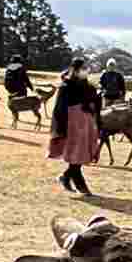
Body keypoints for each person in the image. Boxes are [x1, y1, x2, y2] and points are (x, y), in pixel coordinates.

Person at [47, 59, 102, 195]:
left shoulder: (89, 87)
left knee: (82, 153)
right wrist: (60, 127)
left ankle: (66, 177)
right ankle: (80, 185)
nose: (86, 71)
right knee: (77, 154)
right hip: (73, 124)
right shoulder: (66, 86)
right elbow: (59, 109)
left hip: (86, 123)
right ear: (75, 70)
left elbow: (94, 104)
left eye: (86, 68)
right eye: (83, 68)